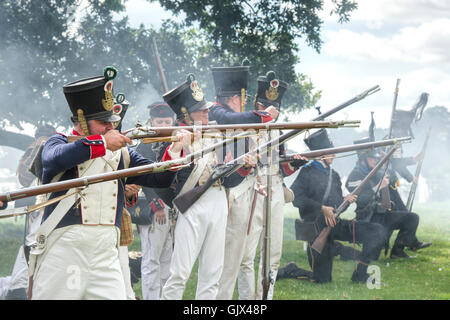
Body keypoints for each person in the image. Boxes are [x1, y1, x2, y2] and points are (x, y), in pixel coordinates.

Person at [28, 66, 191, 300]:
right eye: (103, 121)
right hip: (65, 250)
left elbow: (159, 178)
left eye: (112, 121)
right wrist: (102, 143)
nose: (111, 127)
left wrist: (174, 151)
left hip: (106, 250)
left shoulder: (122, 154)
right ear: (82, 121)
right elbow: (56, 158)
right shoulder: (59, 143)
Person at [160, 74, 256, 300]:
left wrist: (244, 167)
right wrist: (180, 149)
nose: (207, 112)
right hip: (190, 204)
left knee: (213, 273)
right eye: (200, 109)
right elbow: (165, 183)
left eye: (206, 108)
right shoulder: (171, 138)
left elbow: (229, 180)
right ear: (185, 113)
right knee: (179, 273)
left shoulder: (217, 134)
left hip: (218, 200)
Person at [237, 71, 306, 300]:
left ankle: (265, 299)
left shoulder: (279, 133)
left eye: (274, 107)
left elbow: (280, 169)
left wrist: (294, 165)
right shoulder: (245, 130)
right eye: (266, 105)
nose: (271, 111)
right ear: (256, 105)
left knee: (273, 253)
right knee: (246, 254)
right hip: (251, 189)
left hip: (275, 190)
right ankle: (248, 302)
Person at [291, 129, 386, 283]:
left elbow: (335, 205)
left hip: (335, 224)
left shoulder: (333, 175)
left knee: (377, 231)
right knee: (322, 280)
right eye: (331, 152)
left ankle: (361, 274)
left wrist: (346, 200)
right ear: (322, 154)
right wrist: (321, 208)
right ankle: (292, 269)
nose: (334, 155)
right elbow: (296, 198)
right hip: (316, 229)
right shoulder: (306, 172)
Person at [346, 138, 431, 260]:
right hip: (369, 219)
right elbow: (360, 199)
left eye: (376, 158)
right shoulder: (355, 176)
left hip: (383, 215)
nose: (376, 160)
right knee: (371, 256)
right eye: (372, 158)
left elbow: (394, 163)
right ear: (363, 159)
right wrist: (378, 187)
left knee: (412, 218)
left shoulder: (376, 170)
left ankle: (397, 251)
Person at [134, 101, 176, 300]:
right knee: (151, 261)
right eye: (159, 121)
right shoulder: (144, 144)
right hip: (154, 208)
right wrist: (157, 205)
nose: (163, 125)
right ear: (152, 121)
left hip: (173, 206)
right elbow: (144, 179)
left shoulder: (174, 141)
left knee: (167, 261)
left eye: (167, 121)